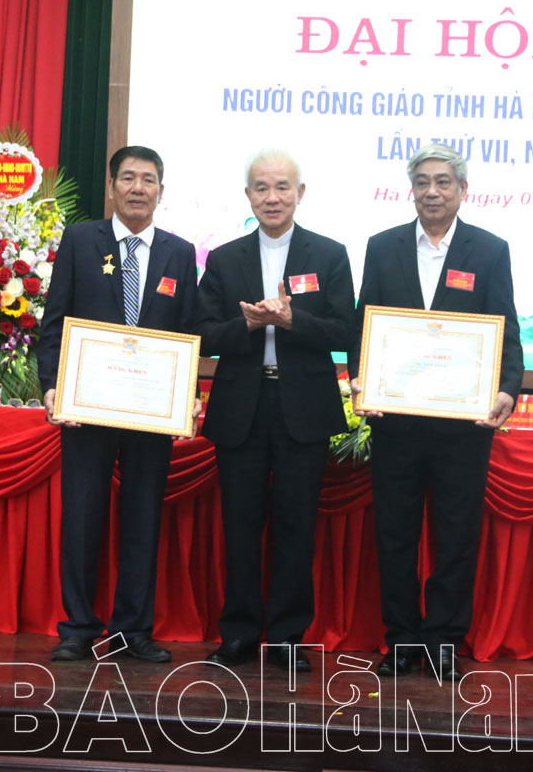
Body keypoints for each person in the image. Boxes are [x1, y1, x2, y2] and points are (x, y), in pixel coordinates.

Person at [349, 143, 523, 680]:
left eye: (443, 182)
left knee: (455, 537)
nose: (432, 191)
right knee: (394, 534)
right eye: (422, 181)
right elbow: (363, 326)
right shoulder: (383, 247)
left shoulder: (489, 250)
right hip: (396, 422)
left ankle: (444, 641)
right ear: (411, 190)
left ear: (462, 190)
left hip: (461, 427)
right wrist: (359, 379)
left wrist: (507, 390)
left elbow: (507, 333)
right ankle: (401, 640)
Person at [38, 146, 198, 663]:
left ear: (161, 192)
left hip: (151, 412)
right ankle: (77, 628)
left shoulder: (180, 252)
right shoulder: (81, 240)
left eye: (148, 180)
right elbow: (55, 320)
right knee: (82, 516)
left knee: (143, 517)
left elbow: (187, 332)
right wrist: (51, 386)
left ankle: (134, 630)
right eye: (127, 178)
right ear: (111, 187)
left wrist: (187, 393)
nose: (137, 188)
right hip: (86, 405)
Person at [196, 149, 354, 672]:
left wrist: (291, 322)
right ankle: (239, 633)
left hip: (302, 408)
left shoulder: (328, 254)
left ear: (300, 193)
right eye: (261, 188)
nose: (272, 197)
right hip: (242, 405)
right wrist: (247, 325)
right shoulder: (225, 259)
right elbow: (201, 333)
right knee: (239, 525)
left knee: (296, 525)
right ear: (248, 196)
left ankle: (287, 637)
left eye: (282, 187)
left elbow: (345, 331)